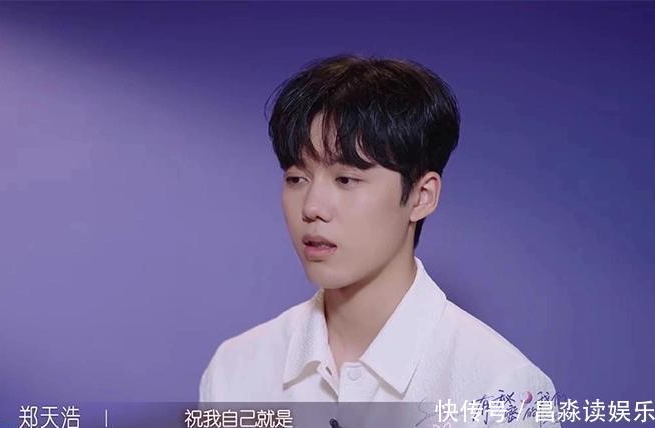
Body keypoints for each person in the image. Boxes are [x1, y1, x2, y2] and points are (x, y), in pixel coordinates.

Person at [199, 54, 559, 425]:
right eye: (296, 179)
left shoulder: (500, 387)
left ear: (421, 196)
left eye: (346, 180)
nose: (312, 207)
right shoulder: (236, 370)